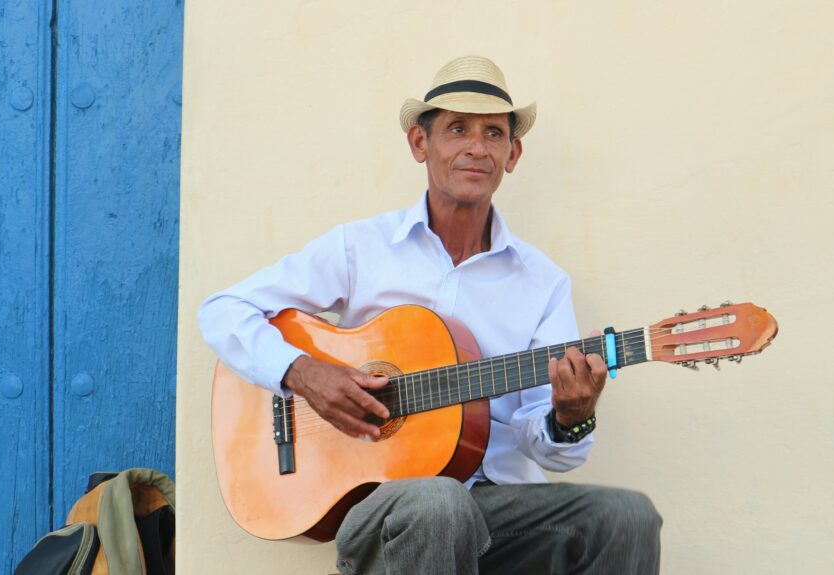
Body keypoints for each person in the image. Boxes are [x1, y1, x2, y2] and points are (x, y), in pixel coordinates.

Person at [199, 55, 662, 574]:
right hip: (390, 511)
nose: (475, 147)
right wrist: (303, 375)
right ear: (421, 144)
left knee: (627, 516)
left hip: (498, 509)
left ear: (513, 154)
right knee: (441, 502)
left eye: (493, 134)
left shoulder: (543, 282)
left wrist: (569, 418)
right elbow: (222, 311)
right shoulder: (361, 248)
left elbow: (550, 447)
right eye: (457, 129)